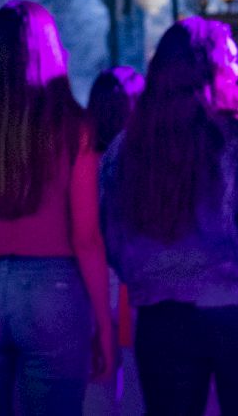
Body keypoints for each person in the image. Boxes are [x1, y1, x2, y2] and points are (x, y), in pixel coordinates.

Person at [101, 18, 238, 416]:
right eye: (230, 59)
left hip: (162, 314)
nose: (237, 69)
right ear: (211, 69)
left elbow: (110, 228)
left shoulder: (129, 147)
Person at [0, 1, 114, 416]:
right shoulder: (76, 129)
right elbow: (87, 237)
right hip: (55, 289)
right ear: (51, 53)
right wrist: (104, 324)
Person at [83, 67, 144, 416]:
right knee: (139, 389)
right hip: (135, 281)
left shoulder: (80, 159)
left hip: (91, 281)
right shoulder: (143, 160)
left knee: (97, 389)